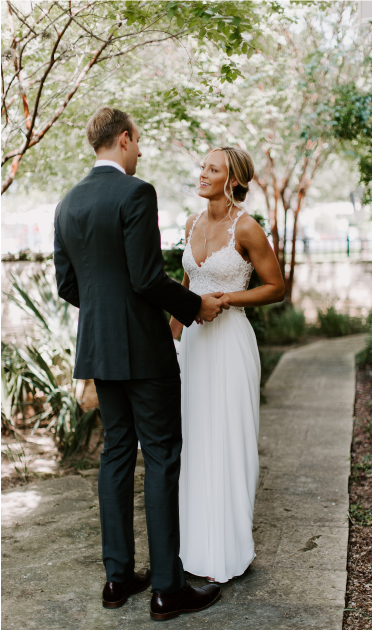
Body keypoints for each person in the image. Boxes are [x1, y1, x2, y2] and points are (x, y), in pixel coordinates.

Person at [54, 106, 225, 621]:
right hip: (145, 352)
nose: (142, 152)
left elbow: (67, 286)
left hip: (98, 350)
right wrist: (196, 306)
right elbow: (148, 278)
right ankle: (168, 589)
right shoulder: (135, 192)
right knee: (163, 457)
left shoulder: (67, 204)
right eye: (139, 142)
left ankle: (118, 577)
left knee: (115, 456)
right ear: (124, 139)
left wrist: (107, 313)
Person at [170, 147, 285, 583]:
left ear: (231, 180)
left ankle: (231, 550)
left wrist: (226, 299)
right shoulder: (191, 223)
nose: (202, 174)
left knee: (229, 442)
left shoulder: (248, 227)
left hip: (231, 343)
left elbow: (275, 287)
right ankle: (195, 549)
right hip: (195, 346)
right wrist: (172, 341)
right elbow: (187, 288)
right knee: (195, 443)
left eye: (212, 169)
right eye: (202, 166)